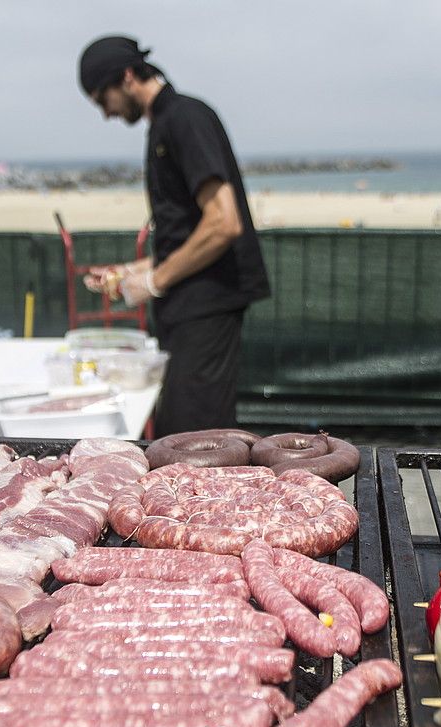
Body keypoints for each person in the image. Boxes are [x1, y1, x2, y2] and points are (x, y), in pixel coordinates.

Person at [76, 35, 270, 437]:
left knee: (192, 441)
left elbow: (223, 223)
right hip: (188, 308)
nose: (105, 114)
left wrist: (153, 281)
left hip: (208, 307)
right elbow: (186, 235)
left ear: (127, 76)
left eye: (101, 99)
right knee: (186, 436)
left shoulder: (185, 117)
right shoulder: (164, 124)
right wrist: (130, 271)